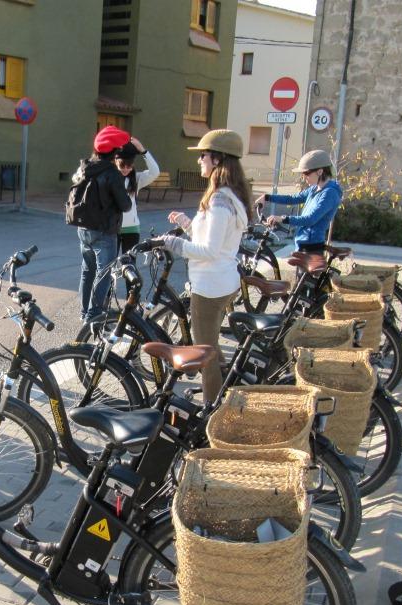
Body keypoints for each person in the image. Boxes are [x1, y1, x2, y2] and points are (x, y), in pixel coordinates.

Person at [160, 129, 250, 405]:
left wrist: (172, 243)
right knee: (210, 342)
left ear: (218, 160)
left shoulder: (220, 200)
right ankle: (230, 378)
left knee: (205, 352)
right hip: (223, 282)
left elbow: (209, 251)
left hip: (210, 287)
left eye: (203, 155)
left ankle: (212, 410)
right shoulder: (230, 196)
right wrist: (188, 225)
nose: (199, 160)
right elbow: (216, 240)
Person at [70, 125, 132, 324]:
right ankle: (94, 315)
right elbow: (125, 204)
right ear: (113, 151)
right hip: (104, 231)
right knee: (103, 273)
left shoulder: (84, 167)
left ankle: (83, 312)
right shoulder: (112, 173)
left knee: (87, 271)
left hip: (83, 228)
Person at [256, 149, 343, 255]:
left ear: (320, 171)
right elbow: (292, 199)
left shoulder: (330, 193)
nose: (304, 177)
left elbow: (310, 219)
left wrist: (282, 218)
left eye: (306, 173)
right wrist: (267, 197)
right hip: (302, 244)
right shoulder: (315, 188)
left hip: (312, 248)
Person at [115, 138, 160, 254]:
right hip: (112, 229)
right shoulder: (110, 178)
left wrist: (143, 151)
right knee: (110, 266)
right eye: (122, 165)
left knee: (129, 266)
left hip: (131, 229)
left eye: (129, 166)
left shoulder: (136, 179)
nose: (126, 169)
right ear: (115, 162)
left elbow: (155, 172)